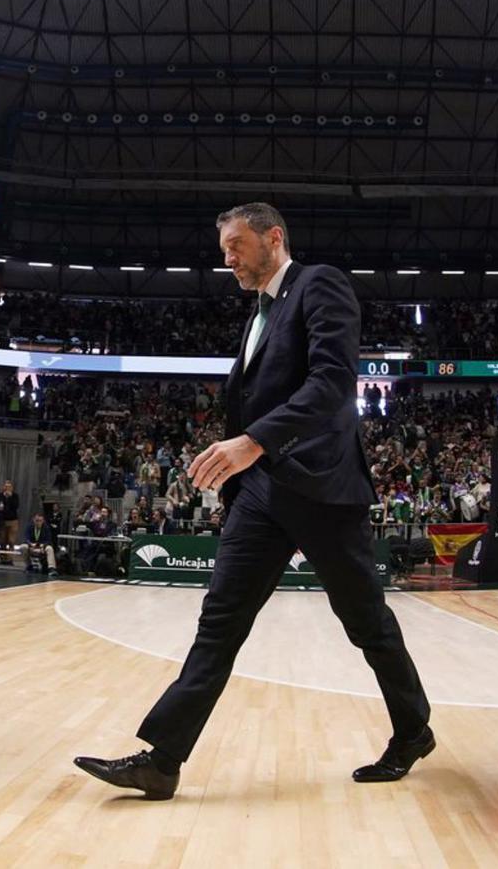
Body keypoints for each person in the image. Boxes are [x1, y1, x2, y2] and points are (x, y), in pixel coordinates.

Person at [75, 203, 432, 800]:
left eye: (236, 245)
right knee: (219, 622)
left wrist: (253, 441)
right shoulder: (259, 314)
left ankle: (413, 730)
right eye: (223, 251)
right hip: (264, 491)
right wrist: (245, 456)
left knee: (366, 622)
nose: (228, 259)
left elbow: (332, 383)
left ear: (274, 237)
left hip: (320, 488)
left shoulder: (319, 284)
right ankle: (163, 761)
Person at [0, 480, 20, 548]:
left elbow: (16, 506)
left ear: (12, 488)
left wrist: (10, 498)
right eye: (6, 486)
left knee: (11, 540)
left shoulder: (15, 496)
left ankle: (10, 556)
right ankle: (3, 555)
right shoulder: (0, 495)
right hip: (2, 520)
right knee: (2, 539)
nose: (7, 488)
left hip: (13, 520)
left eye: (9, 487)